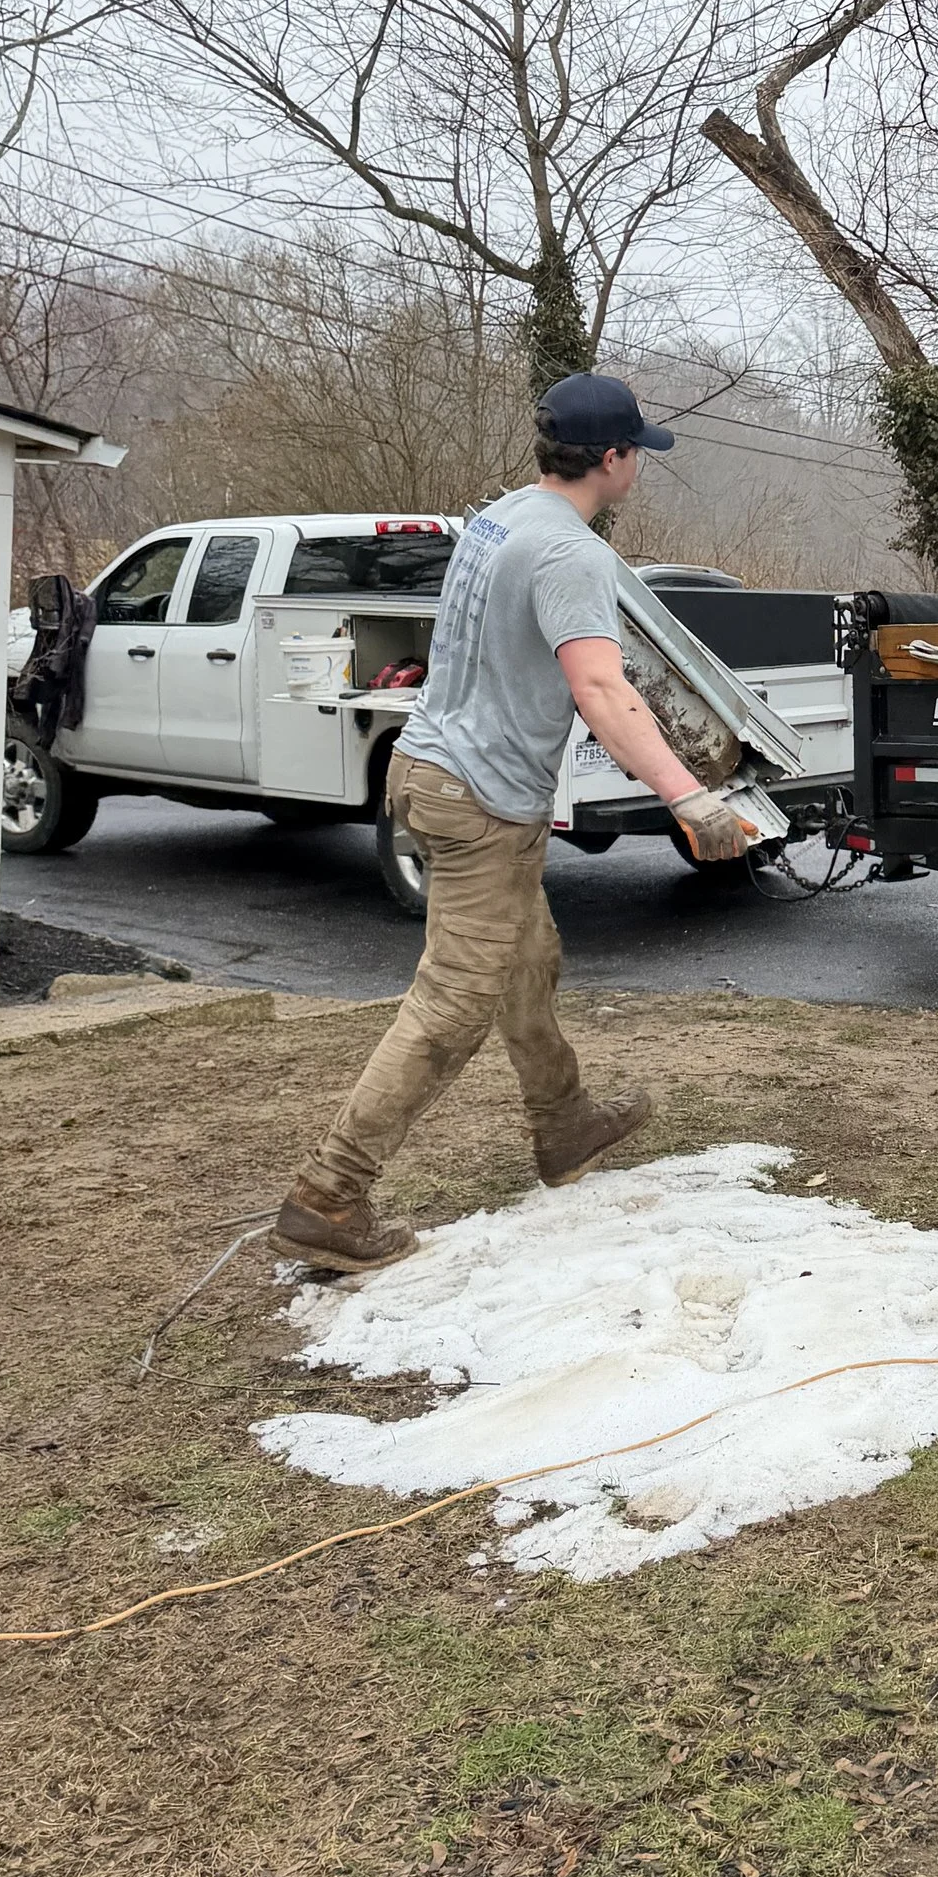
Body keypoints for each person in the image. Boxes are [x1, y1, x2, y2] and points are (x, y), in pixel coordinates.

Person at [274, 373, 753, 1271]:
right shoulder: (570, 552)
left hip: (432, 766)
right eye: (637, 452)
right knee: (453, 1000)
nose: (639, 464)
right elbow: (601, 688)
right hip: (481, 796)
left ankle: (563, 1122)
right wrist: (686, 793)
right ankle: (329, 1195)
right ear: (611, 459)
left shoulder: (499, 517)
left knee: (528, 958)